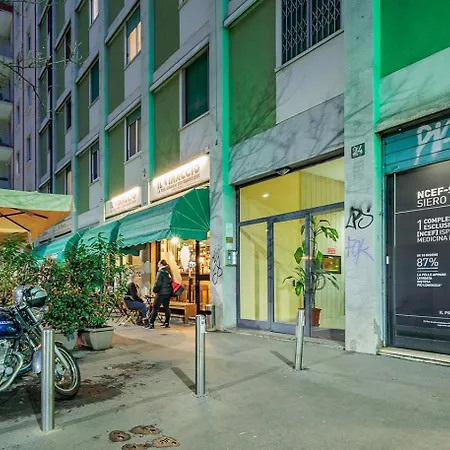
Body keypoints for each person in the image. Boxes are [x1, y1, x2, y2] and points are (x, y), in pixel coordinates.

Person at [147, 260, 173, 329]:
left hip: (161, 292)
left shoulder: (160, 272)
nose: (157, 265)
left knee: (155, 307)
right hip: (168, 292)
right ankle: (167, 323)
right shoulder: (168, 272)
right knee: (166, 307)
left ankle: (151, 323)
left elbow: (158, 283)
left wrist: (154, 290)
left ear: (161, 264)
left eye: (158, 264)